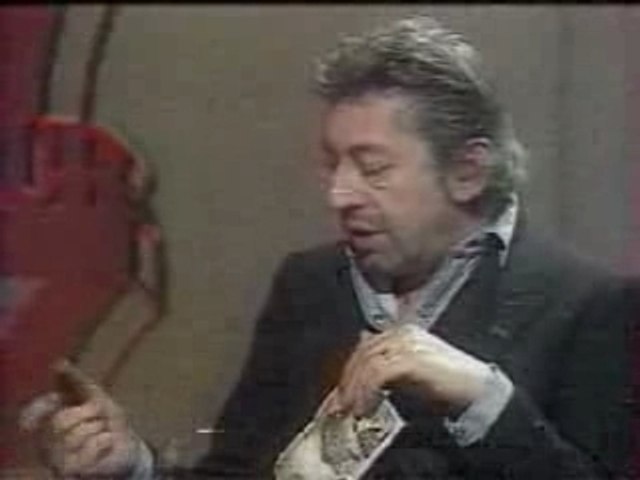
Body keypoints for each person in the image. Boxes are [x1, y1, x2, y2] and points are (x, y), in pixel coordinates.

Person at [22, 14, 632, 479]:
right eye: (332, 164)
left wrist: (485, 401)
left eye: (373, 168)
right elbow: (240, 470)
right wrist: (131, 465)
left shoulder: (590, 307)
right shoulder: (311, 285)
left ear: (468, 171)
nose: (340, 194)